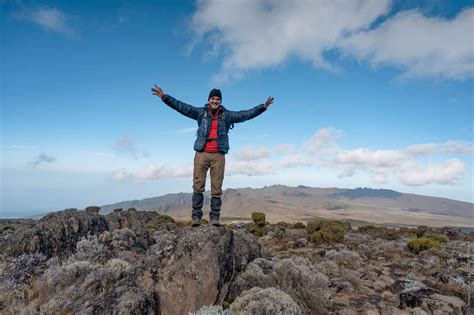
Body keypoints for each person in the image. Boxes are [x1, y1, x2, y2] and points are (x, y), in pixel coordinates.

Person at [151, 85, 274, 227]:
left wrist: (262, 108)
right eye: (213, 98)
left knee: (217, 188)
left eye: (217, 99)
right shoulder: (200, 112)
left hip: (218, 155)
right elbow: (182, 107)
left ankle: (214, 218)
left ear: (220, 101)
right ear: (209, 100)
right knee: (198, 186)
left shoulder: (226, 115)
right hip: (201, 153)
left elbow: (244, 115)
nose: (215, 101)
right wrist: (165, 97)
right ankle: (196, 217)